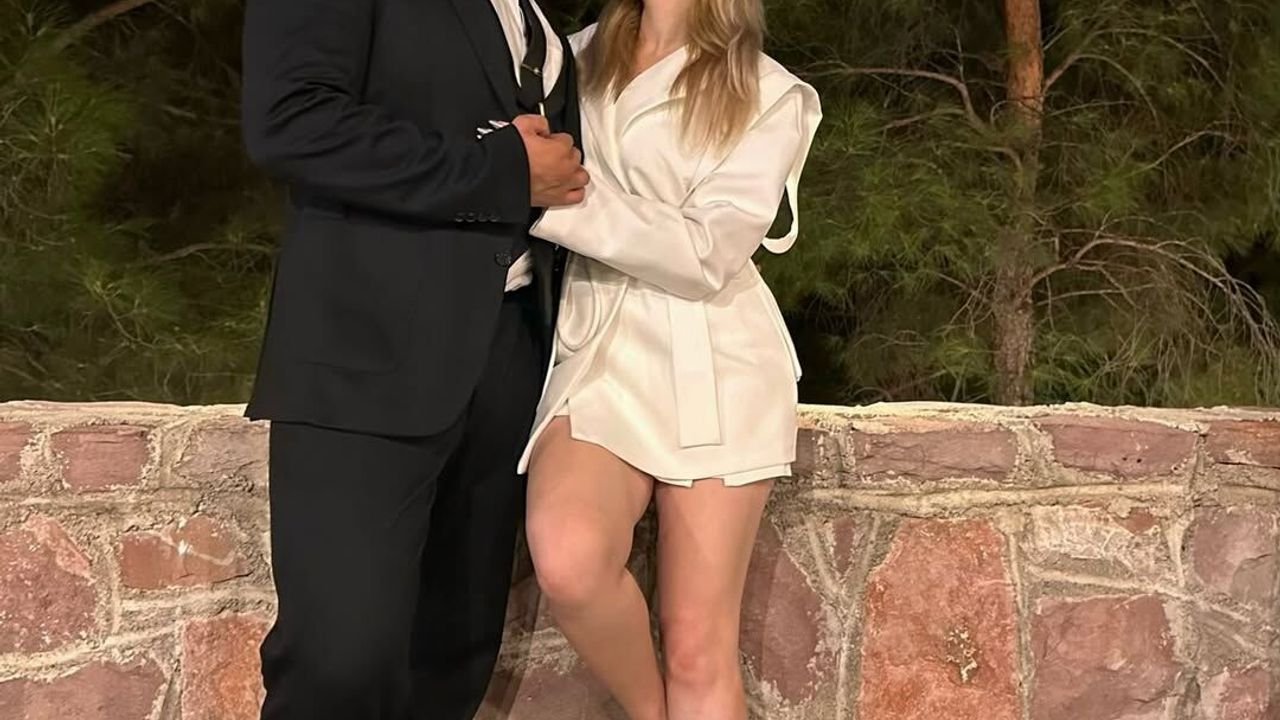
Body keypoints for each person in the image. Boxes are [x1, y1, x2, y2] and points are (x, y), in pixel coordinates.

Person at [238, 0, 586, 715]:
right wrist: (500, 171)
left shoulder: (536, 13)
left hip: (509, 350)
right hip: (367, 347)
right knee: (340, 662)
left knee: (452, 658)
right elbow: (290, 121)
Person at [518, 0, 822, 718]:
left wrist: (551, 200)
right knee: (569, 559)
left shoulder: (769, 91)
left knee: (696, 649)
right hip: (594, 352)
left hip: (717, 365)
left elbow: (706, 254)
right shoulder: (566, 56)